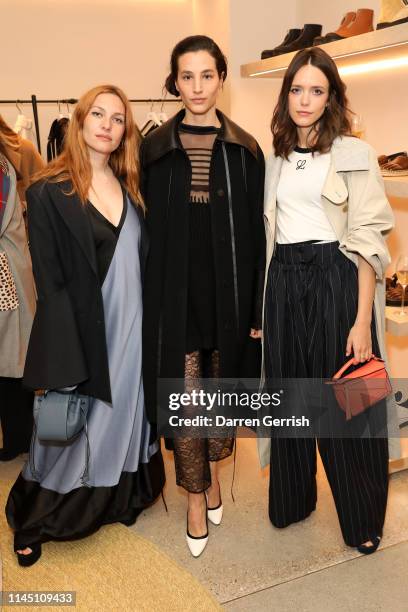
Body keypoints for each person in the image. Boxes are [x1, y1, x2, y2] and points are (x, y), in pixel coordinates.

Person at [6, 84, 165, 566]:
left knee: (128, 415)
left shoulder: (133, 186)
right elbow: (50, 283)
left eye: (118, 119)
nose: (108, 125)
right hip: (85, 329)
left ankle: (119, 498)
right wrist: (65, 350)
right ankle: (37, 515)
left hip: (133, 329)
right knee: (71, 426)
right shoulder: (48, 190)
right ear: (78, 121)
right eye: (98, 114)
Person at [261, 47, 394, 554]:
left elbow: (366, 239)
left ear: (332, 96)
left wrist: (361, 320)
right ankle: (293, 499)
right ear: (286, 94)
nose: (305, 100)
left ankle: (363, 516)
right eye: (297, 89)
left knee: (351, 403)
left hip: (337, 276)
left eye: (317, 90)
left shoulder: (353, 153)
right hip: (285, 279)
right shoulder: (274, 155)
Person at [141, 35, 265, 557]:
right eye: (186, 76)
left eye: (206, 75)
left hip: (229, 292)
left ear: (220, 78)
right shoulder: (152, 149)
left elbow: (258, 234)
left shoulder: (245, 148)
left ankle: (214, 473)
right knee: (187, 398)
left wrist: (257, 308)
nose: (196, 86)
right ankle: (195, 498)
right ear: (175, 81)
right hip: (174, 292)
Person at [0, 149, 36, 461]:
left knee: (11, 363)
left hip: (5, 277)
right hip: (10, 274)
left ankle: (19, 439)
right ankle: (18, 437)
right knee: (11, 362)